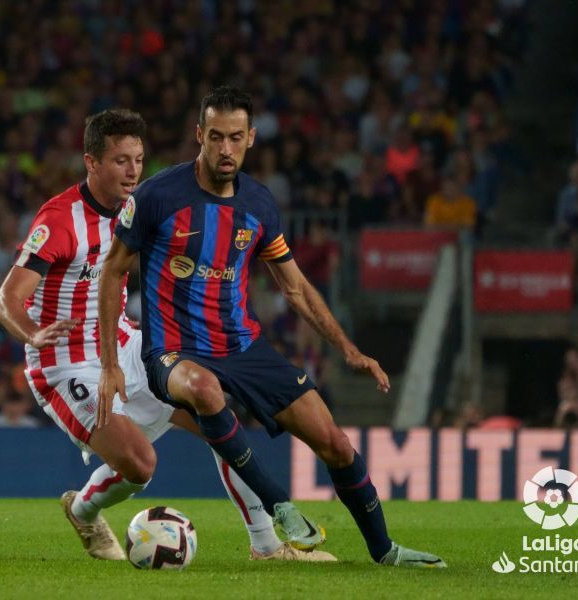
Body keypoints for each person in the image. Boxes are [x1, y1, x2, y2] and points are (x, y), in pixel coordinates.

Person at [98, 86, 446, 568]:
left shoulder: (259, 204)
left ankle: (385, 551)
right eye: (215, 137)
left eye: (235, 138)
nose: (224, 149)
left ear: (251, 138)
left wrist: (347, 347)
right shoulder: (157, 195)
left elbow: (295, 287)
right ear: (199, 135)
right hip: (173, 352)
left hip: (244, 349)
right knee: (203, 389)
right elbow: (113, 270)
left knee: (337, 444)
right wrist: (111, 366)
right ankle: (279, 504)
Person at [0, 108, 333, 562]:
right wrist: (34, 335)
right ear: (91, 163)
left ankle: (267, 546)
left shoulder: (144, 209)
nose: (133, 171)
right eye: (120, 161)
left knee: (216, 414)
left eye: (138, 159)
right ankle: (83, 509)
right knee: (139, 465)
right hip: (65, 363)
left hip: (125, 344)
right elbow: (6, 300)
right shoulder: (60, 220)